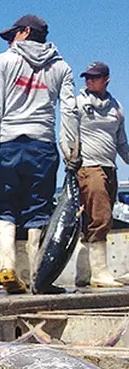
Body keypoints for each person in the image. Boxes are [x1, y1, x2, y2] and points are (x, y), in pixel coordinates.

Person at [0, 14, 79, 294]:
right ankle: (35, 276)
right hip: (42, 146)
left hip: (6, 144)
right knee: (38, 210)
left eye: (13, 34)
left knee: (3, 206)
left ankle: (6, 267)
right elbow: (69, 111)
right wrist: (71, 152)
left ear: (26, 32)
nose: (9, 41)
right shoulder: (61, 68)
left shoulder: (3, 61)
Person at [73, 62, 129, 288]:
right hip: (89, 166)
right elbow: (68, 131)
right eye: (87, 77)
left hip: (110, 167)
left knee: (91, 219)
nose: (89, 81)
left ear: (106, 78)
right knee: (101, 217)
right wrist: (71, 160)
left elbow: (121, 141)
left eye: (95, 77)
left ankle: (83, 275)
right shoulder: (78, 103)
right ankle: (100, 272)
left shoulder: (117, 107)